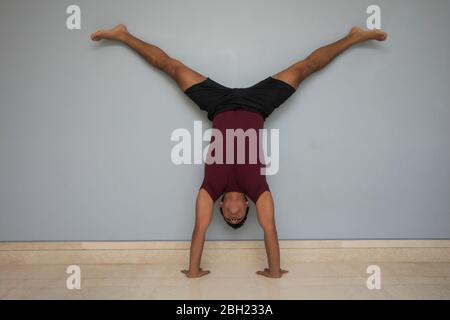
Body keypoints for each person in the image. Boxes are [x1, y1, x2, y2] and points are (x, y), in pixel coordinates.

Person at [91, 24, 387, 278]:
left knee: (173, 66)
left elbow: (199, 230)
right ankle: (354, 36)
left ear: (222, 208)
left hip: (218, 105)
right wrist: (274, 272)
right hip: (258, 106)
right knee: (303, 67)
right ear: (246, 206)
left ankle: (123, 35)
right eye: (238, 218)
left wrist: (193, 272)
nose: (233, 215)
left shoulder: (210, 189)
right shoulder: (257, 188)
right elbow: (269, 229)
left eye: (229, 219)